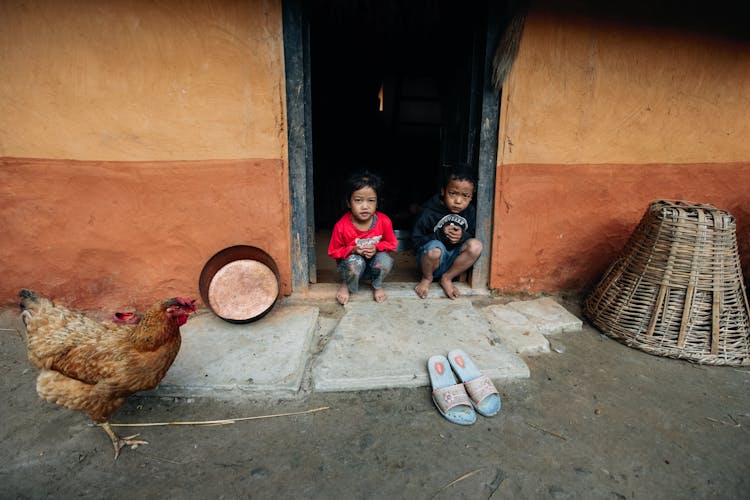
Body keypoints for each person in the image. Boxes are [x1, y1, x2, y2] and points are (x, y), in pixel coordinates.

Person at [411, 165, 483, 299]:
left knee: (476, 245)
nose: (458, 201)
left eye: (465, 196)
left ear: (471, 197)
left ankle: (447, 278)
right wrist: (439, 236)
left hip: (454, 262)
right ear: (443, 191)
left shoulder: (471, 211)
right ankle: (427, 279)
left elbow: (473, 233)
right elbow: (415, 242)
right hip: (431, 262)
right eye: (453, 193)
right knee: (435, 250)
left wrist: (462, 236)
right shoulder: (429, 211)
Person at [328, 171, 398, 305]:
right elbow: (333, 251)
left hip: (374, 265)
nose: (365, 206)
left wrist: (376, 248)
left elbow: (392, 244)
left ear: (377, 203)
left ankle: (376, 285)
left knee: (386, 261)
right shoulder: (341, 226)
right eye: (358, 200)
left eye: (371, 200)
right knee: (355, 262)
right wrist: (353, 249)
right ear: (349, 203)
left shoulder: (384, 221)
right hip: (352, 267)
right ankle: (347, 284)